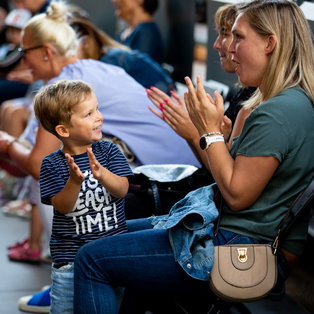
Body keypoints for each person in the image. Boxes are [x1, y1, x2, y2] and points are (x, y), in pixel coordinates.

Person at [73, 1, 314, 313]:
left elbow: (238, 196)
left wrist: (208, 131)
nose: (229, 47)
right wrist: (218, 137)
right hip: (228, 233)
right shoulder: (287, 102)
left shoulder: (277, 112)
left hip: (236, 248)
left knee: (90, 259)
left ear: (270, 43)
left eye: (239, 37)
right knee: (102, 236)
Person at [0, 1, 198, 311]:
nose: (23, 62)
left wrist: (7, 144)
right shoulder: (99, 68)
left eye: (26, 53)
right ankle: (70, 276)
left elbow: (40, 165)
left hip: (166, 182)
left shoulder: (62, 89)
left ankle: (67, 277)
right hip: (185, 171)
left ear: (47, 53)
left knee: (56, 177)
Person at [33, 79, 133, 313]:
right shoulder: (52, 165)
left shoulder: (109, 151)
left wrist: (103, 175)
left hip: (111, 257)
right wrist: (74, 182)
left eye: (97, 109)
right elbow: (63, 206)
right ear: (64, 130)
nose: (98, 117)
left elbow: (122, 189)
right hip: (71, 263)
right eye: (88, 114)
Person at [147, 3, 255, 168]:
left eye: (228, 34)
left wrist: (194, 133)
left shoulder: (253, 104)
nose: (217, 44)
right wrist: (194, 126)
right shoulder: (244, 92)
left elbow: (226, 179)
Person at [70, 17, 175, 94]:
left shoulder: (108, 62)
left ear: (86, 41)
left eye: (71, 47)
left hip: (163, 101)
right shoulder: (109, 57)